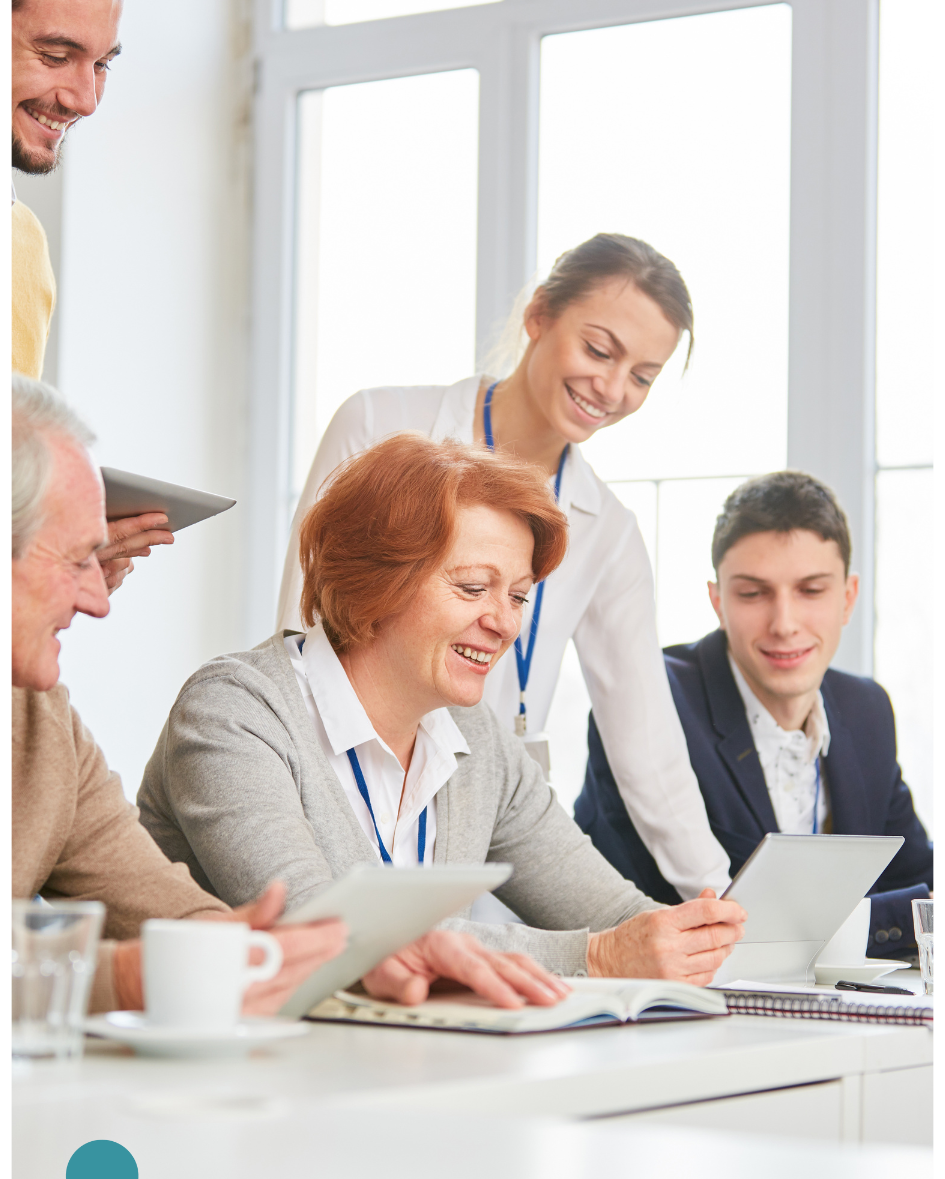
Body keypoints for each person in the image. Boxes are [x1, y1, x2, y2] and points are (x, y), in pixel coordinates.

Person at [139, 432, 746, 993]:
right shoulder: (236, 711)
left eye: (517, 596)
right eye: (473, 588)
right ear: (375, 579)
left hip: (388, 1072)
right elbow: (321, 936)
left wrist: (690, 938)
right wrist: (596, 958)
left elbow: (612, 915)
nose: (504, 622)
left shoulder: (475, 739)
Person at [278, 234, 732, 906]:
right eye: (599, 350)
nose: (610, 388)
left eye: (641, 376)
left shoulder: (607, 530)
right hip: (343, 802)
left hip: (480, 828)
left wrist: (715, 896)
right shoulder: (378, 423)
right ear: (538, 315)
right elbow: (299, 634)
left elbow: (646, 739)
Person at [10, 373, 351, 1017]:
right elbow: (138, 965)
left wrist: (289, 953)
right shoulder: (237, 707)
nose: (98, 600)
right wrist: (126, 981)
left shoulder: (43, 722)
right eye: (79, 560)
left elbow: (156, 901)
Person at [575, 471, 934, 957]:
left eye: (811, 591)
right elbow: (672, 918)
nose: (784, 624)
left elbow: (922, 892)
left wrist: (853, 924)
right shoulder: (647, 704)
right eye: (752, 594)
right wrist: (875, 920)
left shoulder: (866, 709)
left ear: (847, 598)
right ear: (717, 600)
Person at [11, 0, 171, 592]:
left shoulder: (21, 244)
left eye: (101, 64)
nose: (85, 98)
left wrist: (58, 558)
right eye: (54, 56)